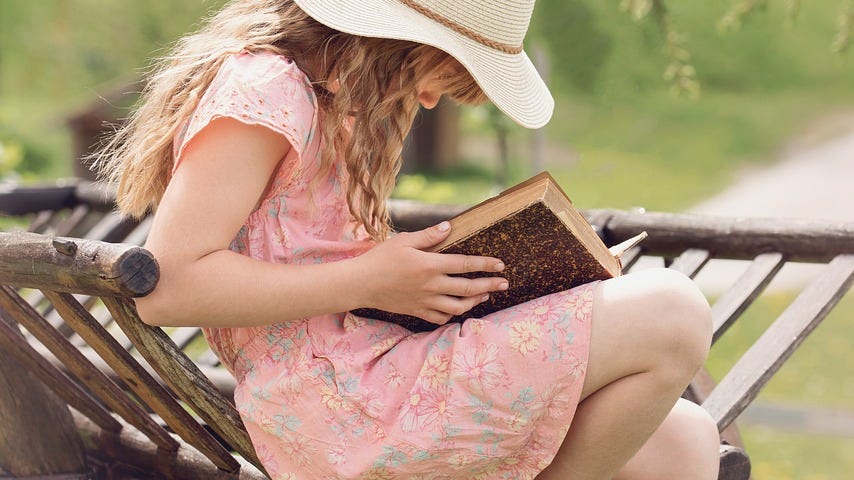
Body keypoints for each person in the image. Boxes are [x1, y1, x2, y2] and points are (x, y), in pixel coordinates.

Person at [97, 0, 720, 478]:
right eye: (443, 69)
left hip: (380, 372)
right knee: (673, 310)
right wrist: (370, 277)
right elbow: (167, 285)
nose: (428, 98)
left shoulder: (335, 101)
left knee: (683, 438)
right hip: (338, 412)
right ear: (394, 33)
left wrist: (536, 281)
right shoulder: (265, 90)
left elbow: (330, 275)